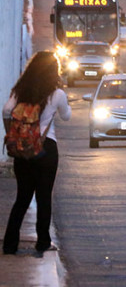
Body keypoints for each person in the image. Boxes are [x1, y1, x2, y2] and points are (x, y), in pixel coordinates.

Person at [3, 51, 72, 254]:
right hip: (46, 149)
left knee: (22, 198)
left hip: (23, 152)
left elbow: (6, 111)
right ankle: (42, 242)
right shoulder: (57, 94)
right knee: (44, 197)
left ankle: (9, 245)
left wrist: (13, 136)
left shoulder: (19, 91)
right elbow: (66, 116)